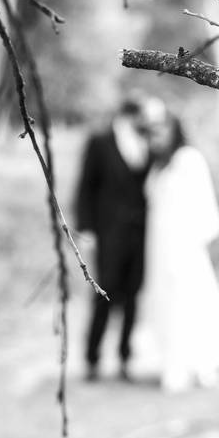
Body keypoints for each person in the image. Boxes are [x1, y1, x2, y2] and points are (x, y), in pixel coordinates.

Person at [141, 107, 219, 392]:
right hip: (158, 246)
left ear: (175, 130)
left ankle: (199, 365)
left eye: (163, 130)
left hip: (184, 245)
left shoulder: (189, 159)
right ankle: (172, 363)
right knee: (163, 303)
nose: (157, 137)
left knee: (190, 302)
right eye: (152, 132)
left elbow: (204, 203)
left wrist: (192, 244)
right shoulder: (156, 165)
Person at [75, 94, 153, 382]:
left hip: (140, 233)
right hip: (109, 233)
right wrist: (86, 228)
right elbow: (85, 186)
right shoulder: (99, 141)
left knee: (133, 295)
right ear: (127, 115)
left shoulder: (147, 141)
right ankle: (92, 359)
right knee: (103, 294)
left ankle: (125, 358)